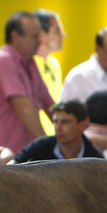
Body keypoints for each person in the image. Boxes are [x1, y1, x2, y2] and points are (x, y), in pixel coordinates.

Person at [0, 11, 54, 152]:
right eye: (34, 36)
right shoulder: (3, 60)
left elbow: (49, 104)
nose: (40, 40)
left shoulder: (31, 63)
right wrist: (49, 149)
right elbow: (23, 107)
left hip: (21, 157)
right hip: (1, 159)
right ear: (15, 36)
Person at [11, 100, 103, 163]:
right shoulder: (41, 146)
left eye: (65, 122)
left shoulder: (94, 158)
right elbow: (12, 166)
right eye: (55, 122)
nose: (58, 127)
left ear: (82, 125)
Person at [32, 8, 65, 136]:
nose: (63, 35)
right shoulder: (29, 65)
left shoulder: (54, 63)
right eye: (57, 31)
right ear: (42, 35)